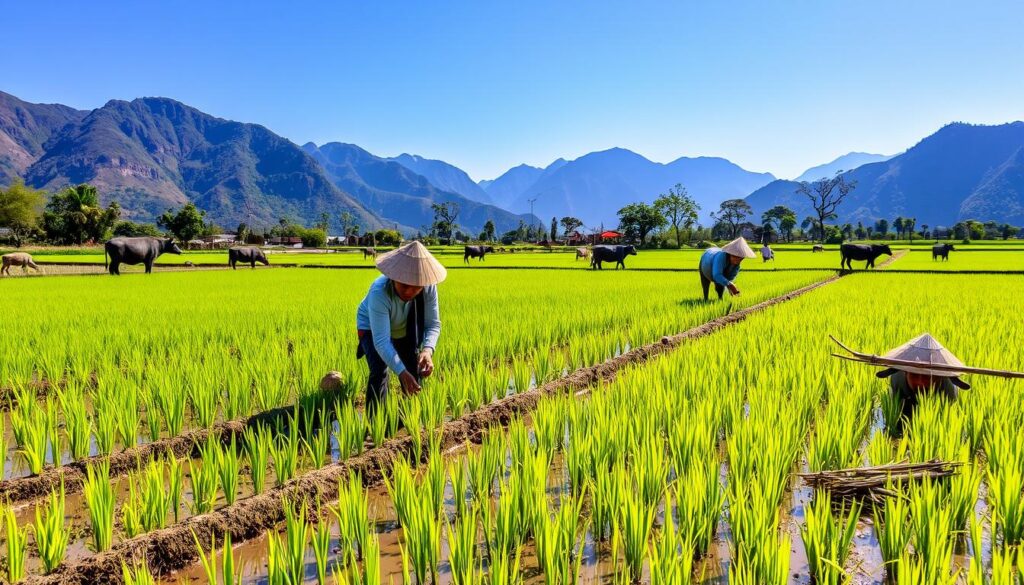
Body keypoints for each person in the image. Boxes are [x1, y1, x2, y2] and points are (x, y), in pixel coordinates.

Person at [355, 241, 445, 414]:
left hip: (404, 325)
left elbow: (433, 324)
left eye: (416, 287)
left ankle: (409, 417)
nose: (410, 292)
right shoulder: (379, 292)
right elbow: (381, 341)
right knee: (379, 369)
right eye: (404, 286)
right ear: (394, 278)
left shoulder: (428, 288)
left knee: (413, 366)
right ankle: (375, 421)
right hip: (371, 327)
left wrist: (427, 350)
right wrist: (400, 373)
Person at [874, 334, 969, 430]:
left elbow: (944, 424)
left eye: (928, 377)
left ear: (940, 376)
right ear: (905, 373)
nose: (921, 382)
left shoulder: (949, 391)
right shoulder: (897, 380)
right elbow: (897, 415)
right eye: (914, 375)